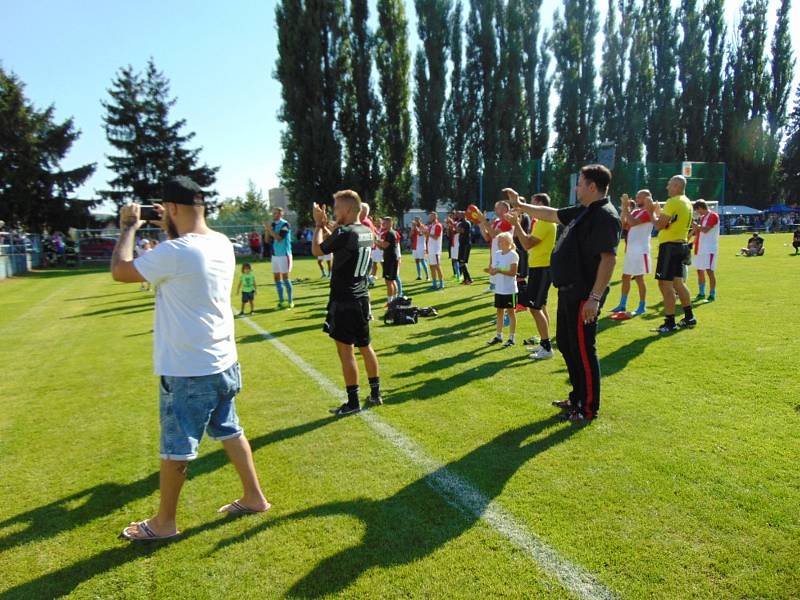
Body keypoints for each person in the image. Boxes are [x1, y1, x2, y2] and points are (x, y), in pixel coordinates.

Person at [111, 176, 270, 541]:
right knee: (230, 430)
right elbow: (182, 250)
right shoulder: (220, 243)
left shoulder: (176, 251)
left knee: (175, 448)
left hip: (188, 368)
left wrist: (129, 227)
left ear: (173, 209)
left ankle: (164, 522)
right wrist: (166, 219)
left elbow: (121, 270)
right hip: (223, 361)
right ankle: (254, 496)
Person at [511, 165, 621, 422]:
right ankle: (577, 397)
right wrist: (522, 206)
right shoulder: (584, 211)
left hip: (584, 294)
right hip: (568, 291)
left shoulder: (605, 215)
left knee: (583, 349)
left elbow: (608, 260)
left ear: (593, 187)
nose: (576, 187)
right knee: (568, 345)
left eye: (580, 183)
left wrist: (594, 298)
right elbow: (550, 214)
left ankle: (588, 407)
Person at [312, 190, 383, 416]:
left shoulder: (344, 232)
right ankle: (375, 394)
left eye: (337, 208)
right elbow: (339, 238)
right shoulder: (366, 231)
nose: (334, 212)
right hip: (362, 297)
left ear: (348, 209)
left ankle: (352, 403)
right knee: (365, 346)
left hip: (344, 299)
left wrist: (317, 226)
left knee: (346, 352)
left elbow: (317, 249)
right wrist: (325, 225)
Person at [505, 193, 557, 360]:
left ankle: (547, 347)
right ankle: (544, 342)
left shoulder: (544, 222)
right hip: (539, 268)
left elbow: (526, 244)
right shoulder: (541, 222)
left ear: (540, 205)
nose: (530, 207)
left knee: (535, 308)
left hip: (542, 269)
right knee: (540, 307)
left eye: (533, 204)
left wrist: (516, 224)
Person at [650, 175, 696, 332]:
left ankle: (670, 322)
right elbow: (671, 222)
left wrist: (651, 212)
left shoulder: (673, 201)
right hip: (682, 245)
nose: (667, 187)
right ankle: (689, 317)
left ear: (677, 186)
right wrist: (658, 212)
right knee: (678, 283)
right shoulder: (687, 202)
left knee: (665, 284)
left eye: (669, 184)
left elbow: (659, 225)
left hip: (670, 247)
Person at [609, 191, 654, 315]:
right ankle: (622, 304)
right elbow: (623, 223)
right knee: (625, 276)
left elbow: (633, 222)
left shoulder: (648, 212)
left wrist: (626, 209)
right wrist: (625, 208)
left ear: (647, 198)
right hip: (631, 250)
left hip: (642, 250)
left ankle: (642, 305)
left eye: (639, 196)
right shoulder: (635, 211)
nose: (636, 198)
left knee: (639, 278)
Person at [484, 232, 519, 347]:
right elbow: (495, 268)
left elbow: (513, 272)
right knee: (499, 312)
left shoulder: (513, 255)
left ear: (508, 242)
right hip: (499, 289)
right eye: (498, 241)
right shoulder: (497, 254)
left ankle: (511, 338)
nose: (498, 243)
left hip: (509, 289)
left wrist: (498, 270)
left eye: (501, 240)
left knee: (510, 313)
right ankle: (498, 336)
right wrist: (491, 271)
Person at [478, 200, 514, 293]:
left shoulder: (507, 220)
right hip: (495, 250)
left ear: (504, 209)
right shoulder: (497, 221)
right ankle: (493, 287)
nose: (495, 210)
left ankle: (503, 291)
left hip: (505, 251)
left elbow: (494, 234)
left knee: (502, 272)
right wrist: (481, 224)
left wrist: (484, 221)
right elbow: (487, 237)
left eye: (497, 208)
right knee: (494, 269)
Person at [690, 199, 720, 302]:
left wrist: (696, 225)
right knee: (699, 270)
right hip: (701, 248)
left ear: (700, 208)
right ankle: (701, 293)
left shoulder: (713, 216)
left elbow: (706, 230)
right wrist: (692, 240)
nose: (697, 213)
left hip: (710, 248)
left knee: (709, 271)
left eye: (697, 210)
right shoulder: (703, 218)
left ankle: (712, 295)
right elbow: (699, 232)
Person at [265, 207, 294, 308]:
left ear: (281, 214)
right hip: (275, 255)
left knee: (285, 278)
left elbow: (279, 238)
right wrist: (267, 231)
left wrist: (269, 229)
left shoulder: (285, 224)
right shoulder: (273, 225)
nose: (273, 215)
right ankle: (281, 301)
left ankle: (290, 301)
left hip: (284, 254)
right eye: (273, 213)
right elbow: (267, 241)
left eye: (276, 213)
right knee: (276, 277)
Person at [378, 216, 401, 305]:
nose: (384, 224)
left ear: (391, 223)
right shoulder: (390, 233)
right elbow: (382, 247)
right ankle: (394, 300)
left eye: (386, 222)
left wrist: (376, 240)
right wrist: (378, 243)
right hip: (390, 259)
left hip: (390, 260)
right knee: (392, 281)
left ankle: (390, 302)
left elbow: (385, 245)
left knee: (389, 281)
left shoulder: (390, 233)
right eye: (383, 222)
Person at [426, 212, 445, 290]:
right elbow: (428, 237)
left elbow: (436, 237)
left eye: (431, 216)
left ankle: (441, 283)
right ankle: (434, 284)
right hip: (431, 250)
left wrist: (428, 233)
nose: (429, 218)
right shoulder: (431, 226)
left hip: (436, 250)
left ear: (435, 217)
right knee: (431, 267)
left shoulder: (438, 225)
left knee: (437, 266)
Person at [457, 211, 474, 285]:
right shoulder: (461, 223)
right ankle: (466, 279)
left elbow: (461, 230)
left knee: (462, 262)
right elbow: (457, 230)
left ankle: (469, 279)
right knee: (461, 262)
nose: (459, 216)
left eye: (461, 215)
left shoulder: (466, 223)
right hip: (462, 245)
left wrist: (457, 228)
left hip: (466, 245)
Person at [446, 212, 462, 282]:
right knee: (454, 260)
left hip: (458, 244)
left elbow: (457, 231)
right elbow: (449, 235)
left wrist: (452, 224)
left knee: (459, 260)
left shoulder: (459, 223)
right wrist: (448, 227)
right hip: (453, 244)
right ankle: (457, 275)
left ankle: (460, 275)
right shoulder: (453, 224)